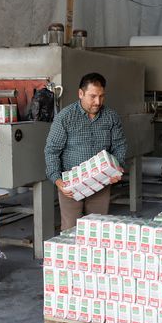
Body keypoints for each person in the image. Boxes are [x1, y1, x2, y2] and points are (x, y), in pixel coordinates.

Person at [44, 72, 127, 230]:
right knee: (70, 229)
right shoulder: (65, 118)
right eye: (93, 96)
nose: (98, 102)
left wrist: (117, 169)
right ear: (80, 93)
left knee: (97, 229)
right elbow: (52, 150)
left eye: (102, 96)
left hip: (102, 182)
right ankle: (70, 255)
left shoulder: (111, 117)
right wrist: (57, 180)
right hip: (71, 184)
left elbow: (119, 145)